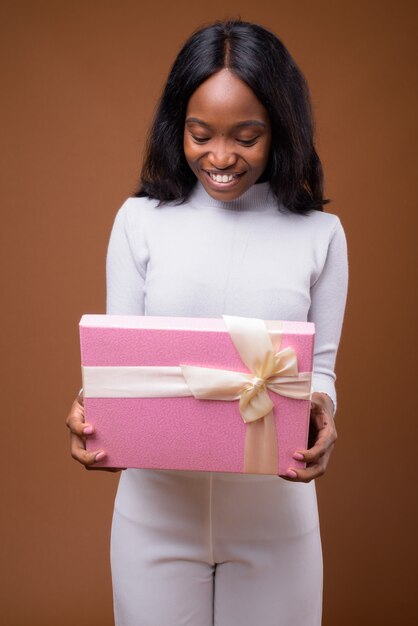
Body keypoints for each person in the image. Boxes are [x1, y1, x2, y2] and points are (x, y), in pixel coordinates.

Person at [66, 19, 348, 626]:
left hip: (277, 521)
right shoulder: (139, 222)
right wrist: (93, 411)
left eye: (247, 136)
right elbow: (123, 363)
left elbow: (319, 372)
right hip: (154, 514)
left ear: (281, 131)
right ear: (179, 128)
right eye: (201, 134)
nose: (220, 157)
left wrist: (323, 414)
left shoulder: (321, 235)